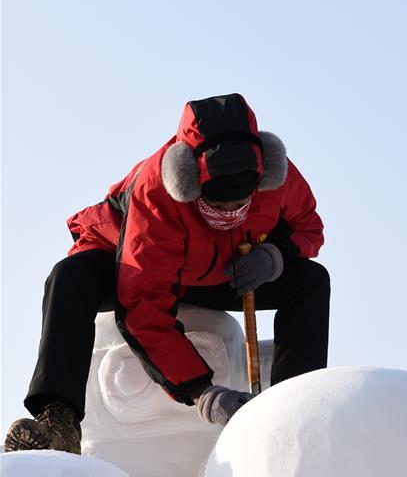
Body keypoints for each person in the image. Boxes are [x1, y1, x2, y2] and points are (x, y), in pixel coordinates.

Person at [4, 94, 330, 455]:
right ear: (190, 185)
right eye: (220, 205)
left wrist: (274, 256)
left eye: (243, 203)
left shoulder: (279, 175)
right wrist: (202, 392)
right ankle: (59, 422)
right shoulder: (156, 193)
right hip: (130, 259)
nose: (232, 212)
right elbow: (142, 306)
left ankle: (294, 412)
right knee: (68, 277)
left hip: (220, 270)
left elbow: (309, 227)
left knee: (311, 282)